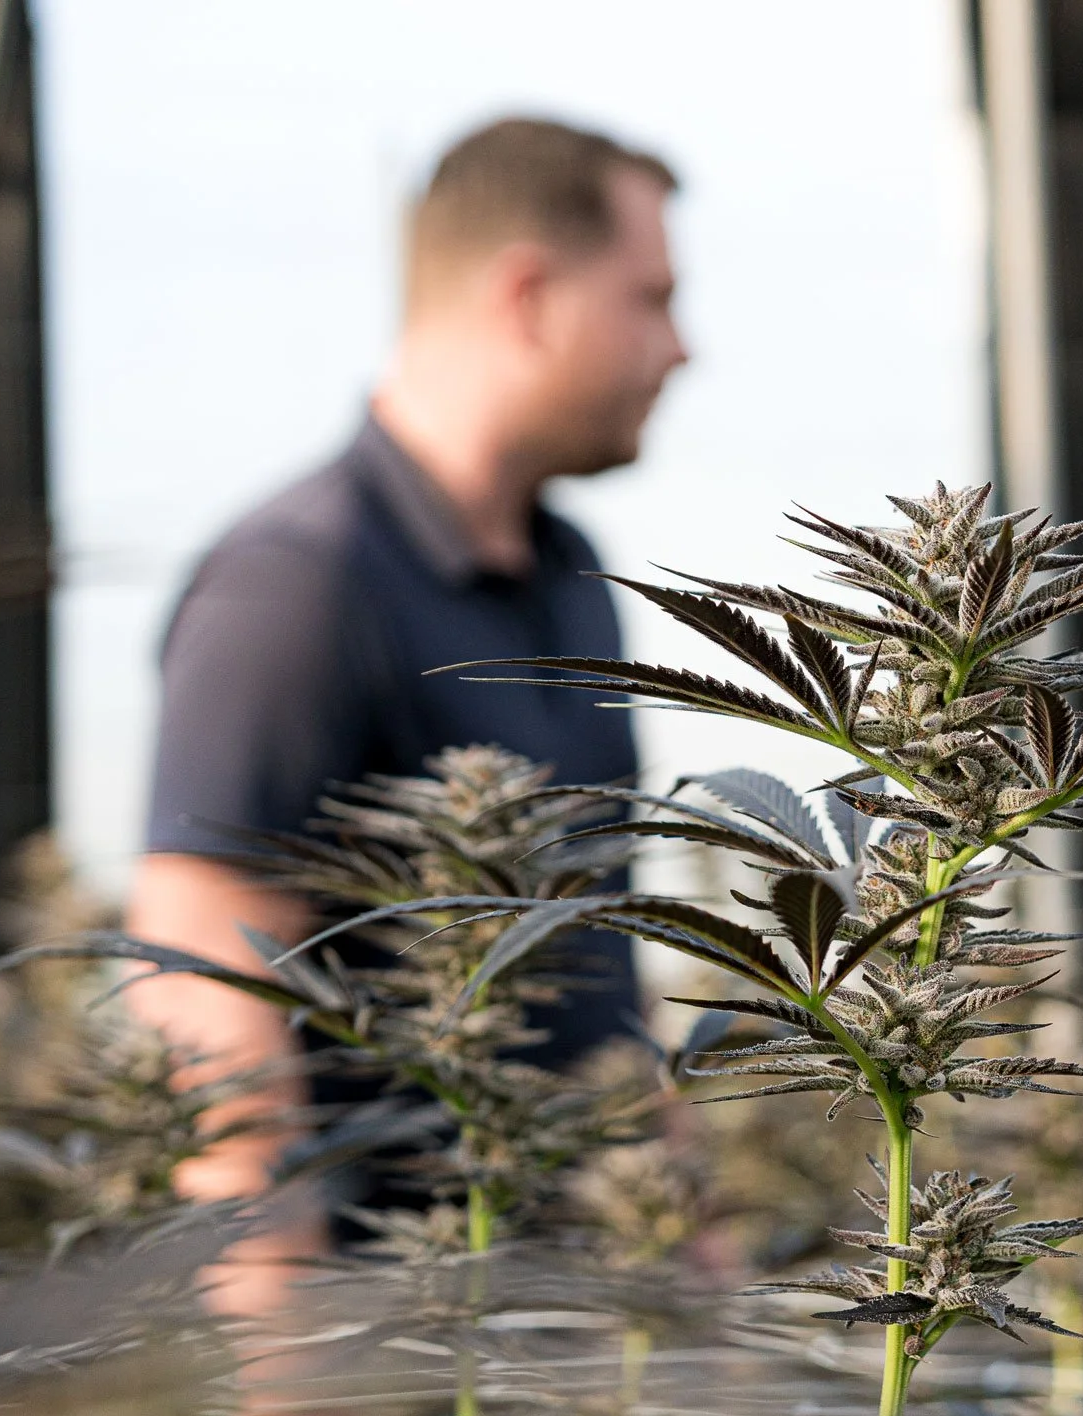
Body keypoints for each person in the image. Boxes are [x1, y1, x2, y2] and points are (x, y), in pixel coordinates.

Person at [124, 117, 687, 1317]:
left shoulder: (574, 574)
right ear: (529, 293)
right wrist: (284, 1381)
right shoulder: (297, 580)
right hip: (400, 1345)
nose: (679, 348)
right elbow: (205, 985)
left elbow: (602, 962)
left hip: (575, 1331)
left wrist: (692, 1257)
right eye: (649, 299)